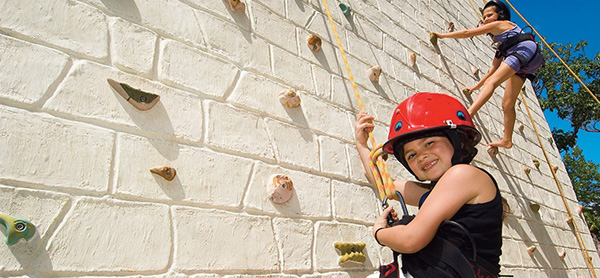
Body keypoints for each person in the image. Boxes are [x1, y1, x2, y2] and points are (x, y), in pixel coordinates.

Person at [354, 93, 505, 277]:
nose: (421, 156)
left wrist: (379, 232)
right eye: (411, 155)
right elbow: (386, 186)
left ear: (456, 140)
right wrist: (361, 145)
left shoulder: (464, 175)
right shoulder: (433, 192)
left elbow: (411, 239)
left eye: (429, 143)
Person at [431, 0, 544, 149]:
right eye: (484, 17)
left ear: (501, 15)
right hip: (528, 63)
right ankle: (507, 140)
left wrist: (442, 35)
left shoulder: (502, 25)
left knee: (493, 84)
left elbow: (467, 33)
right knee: (507, 104)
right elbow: (492, 70)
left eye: (489, 15)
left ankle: (467, 115)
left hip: (523, 51)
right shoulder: (503, 45)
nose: (486, 20)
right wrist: (475, 87)